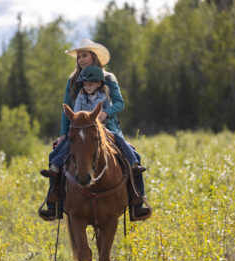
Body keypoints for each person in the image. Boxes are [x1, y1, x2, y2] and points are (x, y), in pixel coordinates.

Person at [39, 39, 151, 221]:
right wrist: (62, 134)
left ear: (94, 56)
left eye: (84, 55)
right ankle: (53, 203)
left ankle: (137, 201)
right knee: (56, 157)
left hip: (107, 128)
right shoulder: (73, 80)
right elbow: (67, 107)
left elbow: (119, 103)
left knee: (133, 156)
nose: (81, 60)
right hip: (78, 129)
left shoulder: (108, 78)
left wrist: (105, 113)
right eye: (79, 56)